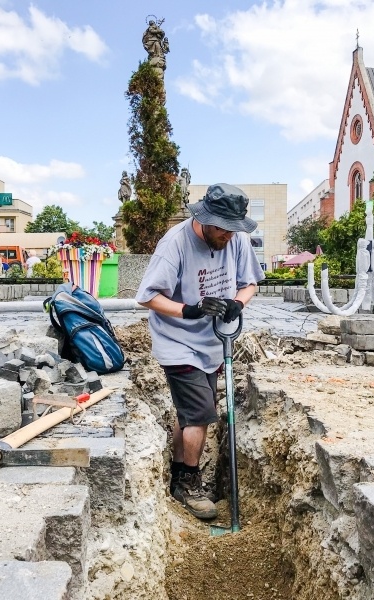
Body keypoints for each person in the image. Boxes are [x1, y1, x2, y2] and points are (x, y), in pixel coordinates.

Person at [135, 183, 264, 520]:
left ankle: (178, 470)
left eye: (233, 229)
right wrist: (188, 310)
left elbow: (250, 283)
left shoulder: (236, 238)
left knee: (190, 413)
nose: (228, 237)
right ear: (205, 219)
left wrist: (238, 303)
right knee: (202, 413)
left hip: (213, 343)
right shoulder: (175, 244)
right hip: (176, 340)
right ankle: (190, 484)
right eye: (222, 229)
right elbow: (147, 296)